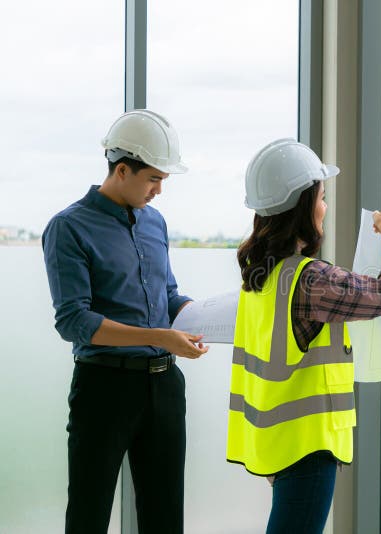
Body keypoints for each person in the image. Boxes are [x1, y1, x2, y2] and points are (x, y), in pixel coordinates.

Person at [227, 138, 381, 533]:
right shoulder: (310, 279)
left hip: (276, 445)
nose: (325, 207)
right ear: (303, 206)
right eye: (322, 197)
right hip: (309, 450)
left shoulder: (260, 275)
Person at [42, 109, 209, 534]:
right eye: (154, 179)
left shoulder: (155, 223)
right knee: (88, 515)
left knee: (165, 517)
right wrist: (162, 337)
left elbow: (167, 295)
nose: (158, 191)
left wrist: (210, 316)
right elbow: (73, 321)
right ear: (121, 169)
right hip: (104, 390)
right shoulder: (68, 228)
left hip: (165, 387)